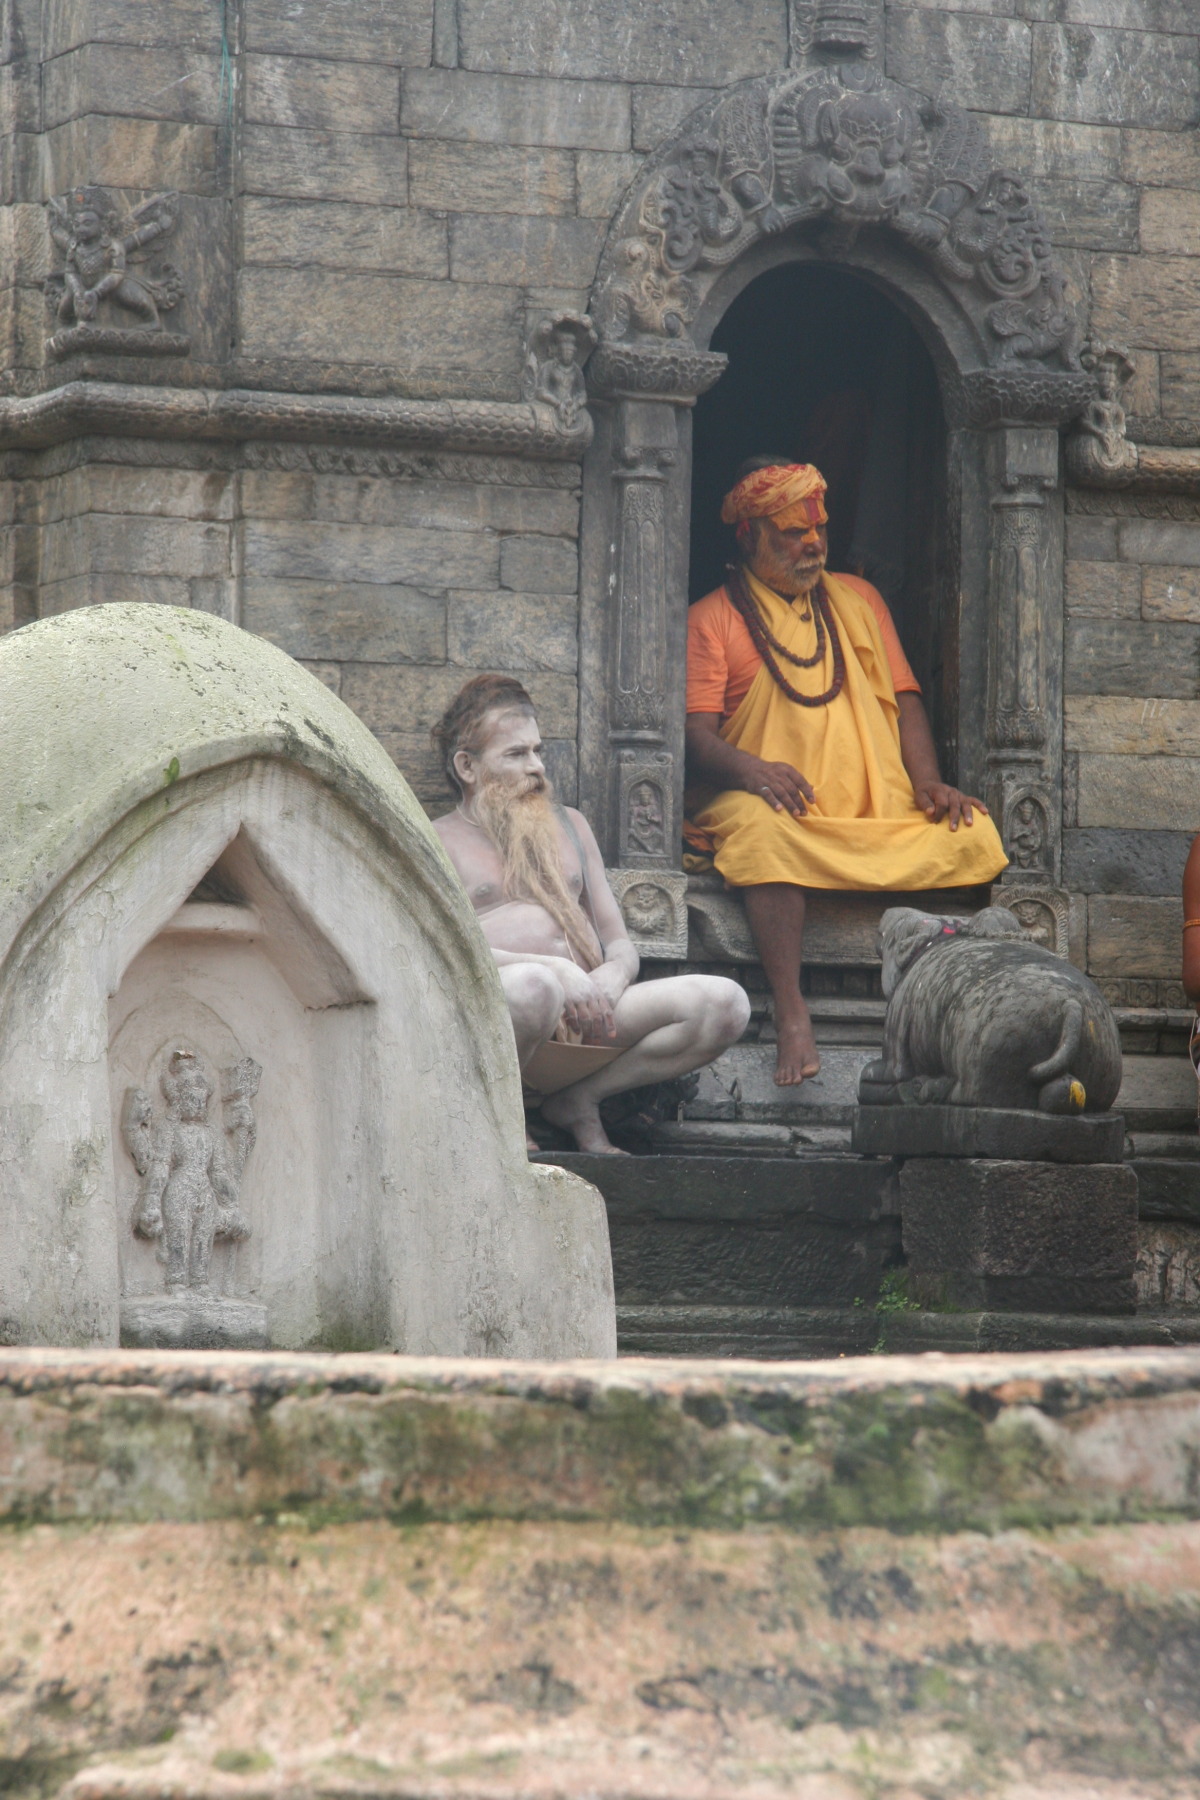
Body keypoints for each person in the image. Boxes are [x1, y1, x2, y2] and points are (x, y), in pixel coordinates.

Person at [685, 456, 1008, 1089]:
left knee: (974, 834)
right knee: (762, 834)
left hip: (873, 809)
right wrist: (750, 770)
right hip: (778, 807)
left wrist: (926, 783)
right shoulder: (712, 619)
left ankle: (943, 993)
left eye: (820, 531)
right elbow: (697, 738)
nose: (812, 544)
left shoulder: (859, 600)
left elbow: (906, 699)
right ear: (748, 535)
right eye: (791, 533)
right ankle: (791, 1007)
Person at [431, 675, 751, 1155]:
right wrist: (557, 970)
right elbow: (442, 949)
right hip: (507, 1014)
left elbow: (618, 940)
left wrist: (613, 976)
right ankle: (503, 1111)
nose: (537, 768)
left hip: (589, 1019)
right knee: (535, 987)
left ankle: (580, 1099)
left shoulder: (571, 825)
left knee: (726, 1004)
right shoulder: (435, 840)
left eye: (538, 751)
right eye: (516, 755)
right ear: (467, 767)